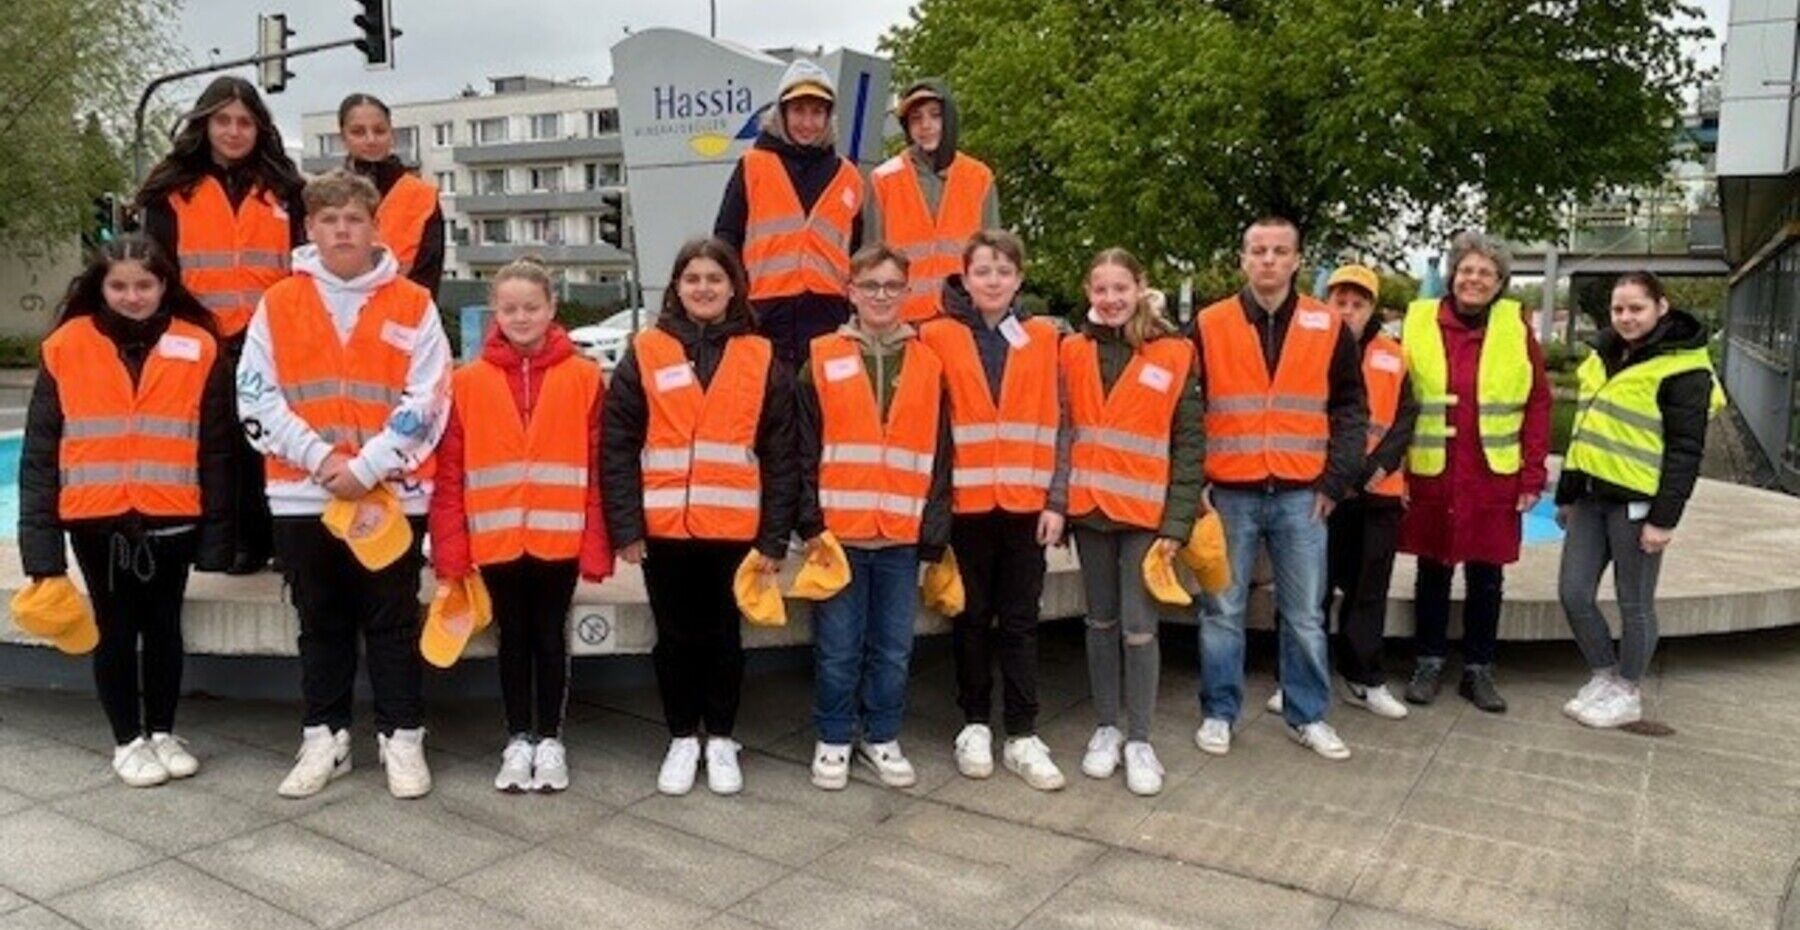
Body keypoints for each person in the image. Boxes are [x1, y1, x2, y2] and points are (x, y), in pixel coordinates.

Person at [237, 170, 452, 800]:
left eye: (354, 219)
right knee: (320, 623)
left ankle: (402, 737)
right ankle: (324, 738)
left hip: (392, 493)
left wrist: (368, 466)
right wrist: (321, 458)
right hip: (302, 494)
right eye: (329, 220)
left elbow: (430, 398)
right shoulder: (279, 302)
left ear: (374, 227)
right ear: (310, 228)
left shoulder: (413, 302)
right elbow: (256, 395)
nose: (342, 230)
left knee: (393, 622)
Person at [19, 236, 235, 787]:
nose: (132, 295)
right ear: (100, 287)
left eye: (144, 284)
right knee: (115, 630)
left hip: (172, 514)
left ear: (164, 285)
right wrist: (41, 553)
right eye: (119, 285)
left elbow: (217, 449)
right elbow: (40, 455)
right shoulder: (66, 345)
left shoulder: (199, 346)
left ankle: (162, 731)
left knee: (164, 628)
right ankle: (127, 740)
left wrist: (218, 535)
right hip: (97, 519)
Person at [602, 238, 797, 797]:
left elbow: (782, 455)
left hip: (736, 532)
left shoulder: (762, 357)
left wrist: (774, 538)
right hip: (664, 532)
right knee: (674, 638)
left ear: (734, 286)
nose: (704, 288)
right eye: (693, 279)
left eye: (715, 278)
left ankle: (723, 738)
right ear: (677, 287)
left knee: (724, 638)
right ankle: (683, 736)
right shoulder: (647, 351)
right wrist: (627, 528)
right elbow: (617, 445)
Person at [429, 257, 612, 793]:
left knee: (550, 638)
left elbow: (599, 466)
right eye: (510, 308)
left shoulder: (584, 377)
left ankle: (550, 739)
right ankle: (517, 739)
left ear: (552, 308)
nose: (521, 317)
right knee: (512, 638)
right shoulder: (467, 382)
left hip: (560, 538)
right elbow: (449, 473)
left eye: (532, 307)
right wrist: (451, 550)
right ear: (495, 311)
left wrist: (596, 543)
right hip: (496, 539)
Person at [1191, 217, 1366, 762]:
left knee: (1306, 614)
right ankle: (1219, 712)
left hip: (1302, 494)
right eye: (1259, 250)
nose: (1268, 260)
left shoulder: (1327, 324)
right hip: (1230, 491)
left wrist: (1336, 480)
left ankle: (1307, 715)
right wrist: (1196, 482)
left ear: (1297, 261)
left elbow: (1351, 408)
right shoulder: (1209, 323)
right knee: (1222, 609)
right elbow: (1187, 409)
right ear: (1242, 259)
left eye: (1280, 251)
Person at [795, 244, 952, 791]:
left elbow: (941, 454)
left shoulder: (930, 363)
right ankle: (835, 736)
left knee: (893, 650)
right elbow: (803, 449)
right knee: (838, 649)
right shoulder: (819, 357)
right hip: (837, 536)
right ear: (851, 291)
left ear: (907, 292)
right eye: (870, 286)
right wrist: (809, 523)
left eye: (891, 286)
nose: (881, 295)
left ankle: (881, 735)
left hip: (901, 535)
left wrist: (933, 533)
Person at [137, 75, 306, 576]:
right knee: (216, 447)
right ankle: (227, 545)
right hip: (201, 338)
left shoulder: (285, 190)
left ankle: (280, 542)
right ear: (205, 125)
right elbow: (159, 269)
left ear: (260, 128)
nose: (234, 131)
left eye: (244, 122)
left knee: (273, 442)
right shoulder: (171, 191)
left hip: (271, 337)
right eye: (223, 121)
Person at [919, 229, 1068, 791]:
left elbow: (1064, 422)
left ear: (1019, 279)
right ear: (965, 277)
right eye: (983, 271)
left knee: (1022, 620)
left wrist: (1056, 500)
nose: (993, 281)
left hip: (1027, 506)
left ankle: (1023, 732)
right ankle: (975, 723)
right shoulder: (935, 335)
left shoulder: (1045, 337)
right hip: (966, 505)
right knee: (971, 617)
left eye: (1004, 271)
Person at [1064, 249, 1203, 796]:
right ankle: (1106, 727)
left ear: (1140, 287)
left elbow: (1189, 443)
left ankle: (1140, 738)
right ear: (1088, 291)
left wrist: (1177, 523)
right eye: (1101, 289)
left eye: (1121, 288)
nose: (1111, 299)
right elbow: (1063, 429)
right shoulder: (1071, 351)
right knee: (1099, 623)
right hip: (1089, 511)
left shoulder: (1175, 352)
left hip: (1146, 516)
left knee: (1139, 626)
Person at [1556, 272, 1719, 728]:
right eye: (1618, 309)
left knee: (1634, 603)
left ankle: (1628, 691)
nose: (1626, 317)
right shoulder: (1603, 356)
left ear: (1661, 307)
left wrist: (1664, 520)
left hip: (1639, 503)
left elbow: (1686, 452)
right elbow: (1583, 430)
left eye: (1636, 308)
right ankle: (1604, 675)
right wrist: (1568, 494)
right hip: (1591, 497)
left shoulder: (1685, 368)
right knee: (1573, 593)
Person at [1399, 232, 1551, 714]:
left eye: (1486, 272)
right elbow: (1395, 397)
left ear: (1500, 282)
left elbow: (1538, 402)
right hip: (1433, 469)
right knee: (1433, 569)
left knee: (1487, 574)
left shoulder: (1515, 326)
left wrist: (1533, 474)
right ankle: (1428, 662)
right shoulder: (1419, 320)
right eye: (1467, 269)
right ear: (1452, 275)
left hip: (1492, 473)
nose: (1475, 279)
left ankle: (1478, 669)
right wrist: (1394, 470)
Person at [713, 59, 864, 370]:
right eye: (798, 111)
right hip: (764, 314)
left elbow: (858, 252)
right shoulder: (753, 165)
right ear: (781, 113)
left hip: (829, 316)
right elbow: (726, 239)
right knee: (768, 396)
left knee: (824, 397)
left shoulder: (848, 176)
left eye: (817, 112)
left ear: (828, 117)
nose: (807, 122)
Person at [1320, 264, 1416, 719]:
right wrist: (1336, 474)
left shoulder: (1394, 356)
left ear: (1372, 308)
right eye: (1340, 302)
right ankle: (1299, 676)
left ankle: (1365, 677)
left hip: (1378, 492)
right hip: (1324, 492)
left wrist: (1379, 465)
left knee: (1369, 591)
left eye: (1357, 304)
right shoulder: (1310, 350)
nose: (1348, 311)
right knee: (1312, 591)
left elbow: (1406, 418)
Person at [864, 80, 1000, 323]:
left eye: (935, 115)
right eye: (916, 118)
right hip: (903, 321)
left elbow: (994, 256)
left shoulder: (979, 177)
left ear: (949, 119)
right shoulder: (883, 179)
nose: (925, 125)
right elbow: (872, 260)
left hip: (964, 318)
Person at [336, 93, 445, 296]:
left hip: (403, 309)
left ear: (391, 135)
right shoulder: (328, 194)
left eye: (379, 131)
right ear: (343, 138)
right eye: (358, 132)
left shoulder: (421, 195)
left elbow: (428, 273)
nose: (371, 140)